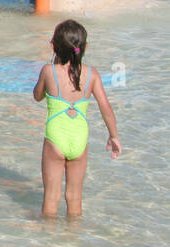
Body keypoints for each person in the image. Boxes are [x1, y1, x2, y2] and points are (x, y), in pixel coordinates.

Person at [32, 19, 120, 218]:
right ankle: (73, 241)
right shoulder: (92, 74)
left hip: (55, 138)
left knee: (51, 198)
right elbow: (105, 106)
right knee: (74, 198)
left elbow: (37, 96)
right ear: (85, 47)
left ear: (53, 46)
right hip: (80, 139)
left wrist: (51, 70)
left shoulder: (48, 71)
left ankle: (48, 242)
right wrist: (114, 136)